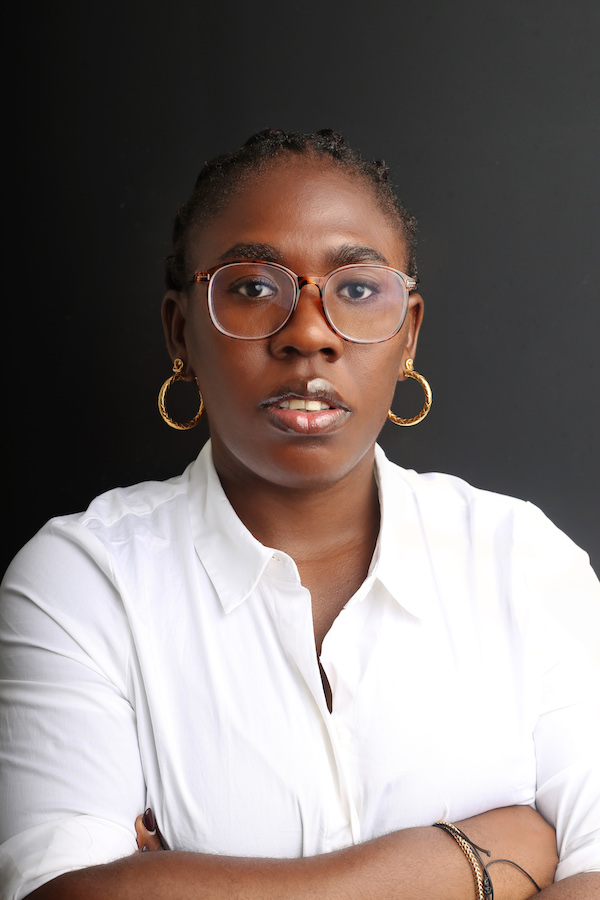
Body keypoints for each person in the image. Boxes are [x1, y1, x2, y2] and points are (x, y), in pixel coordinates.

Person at [1, 129, 599, 900]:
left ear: (408, 334)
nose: (309, 334)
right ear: (182, 332)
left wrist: (180, 879)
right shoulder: (86, 582)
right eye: (253, 288)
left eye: (357, 289)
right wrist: (468, 860)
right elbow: (65, 893)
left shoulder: (523, 562)